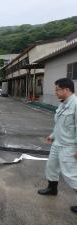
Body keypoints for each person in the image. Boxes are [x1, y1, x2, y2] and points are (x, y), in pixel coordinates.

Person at [37, 78, 77, 214]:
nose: (55, 92)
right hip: (57, 143)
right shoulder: (63, 104)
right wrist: (52, 135)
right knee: (51, 167)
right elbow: (60, 124)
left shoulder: (75, 104)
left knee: (71, 174)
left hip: (69, 146)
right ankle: (52, 189)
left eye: (57, 89)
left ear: (66, 90)